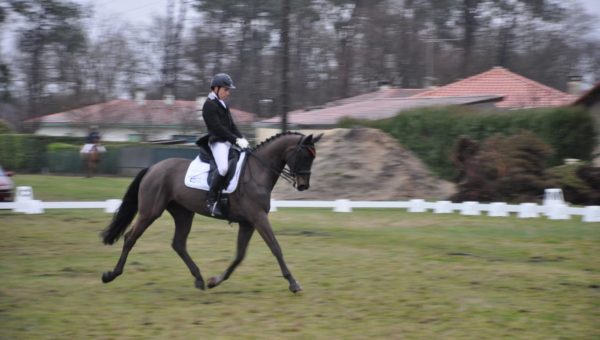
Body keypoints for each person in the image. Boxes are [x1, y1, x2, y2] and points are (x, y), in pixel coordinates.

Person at [202, 73, 249, 216]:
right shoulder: (208, 105)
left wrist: (242, 138)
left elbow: (231, 125)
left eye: (229, 90)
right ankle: (211, 201)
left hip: (228, 141)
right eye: (226, 90)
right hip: (218, 142)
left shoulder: (223, 103)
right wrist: (235, 140)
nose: (228, 93)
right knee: (223, 168)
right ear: (216, 88)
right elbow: (218, 128)